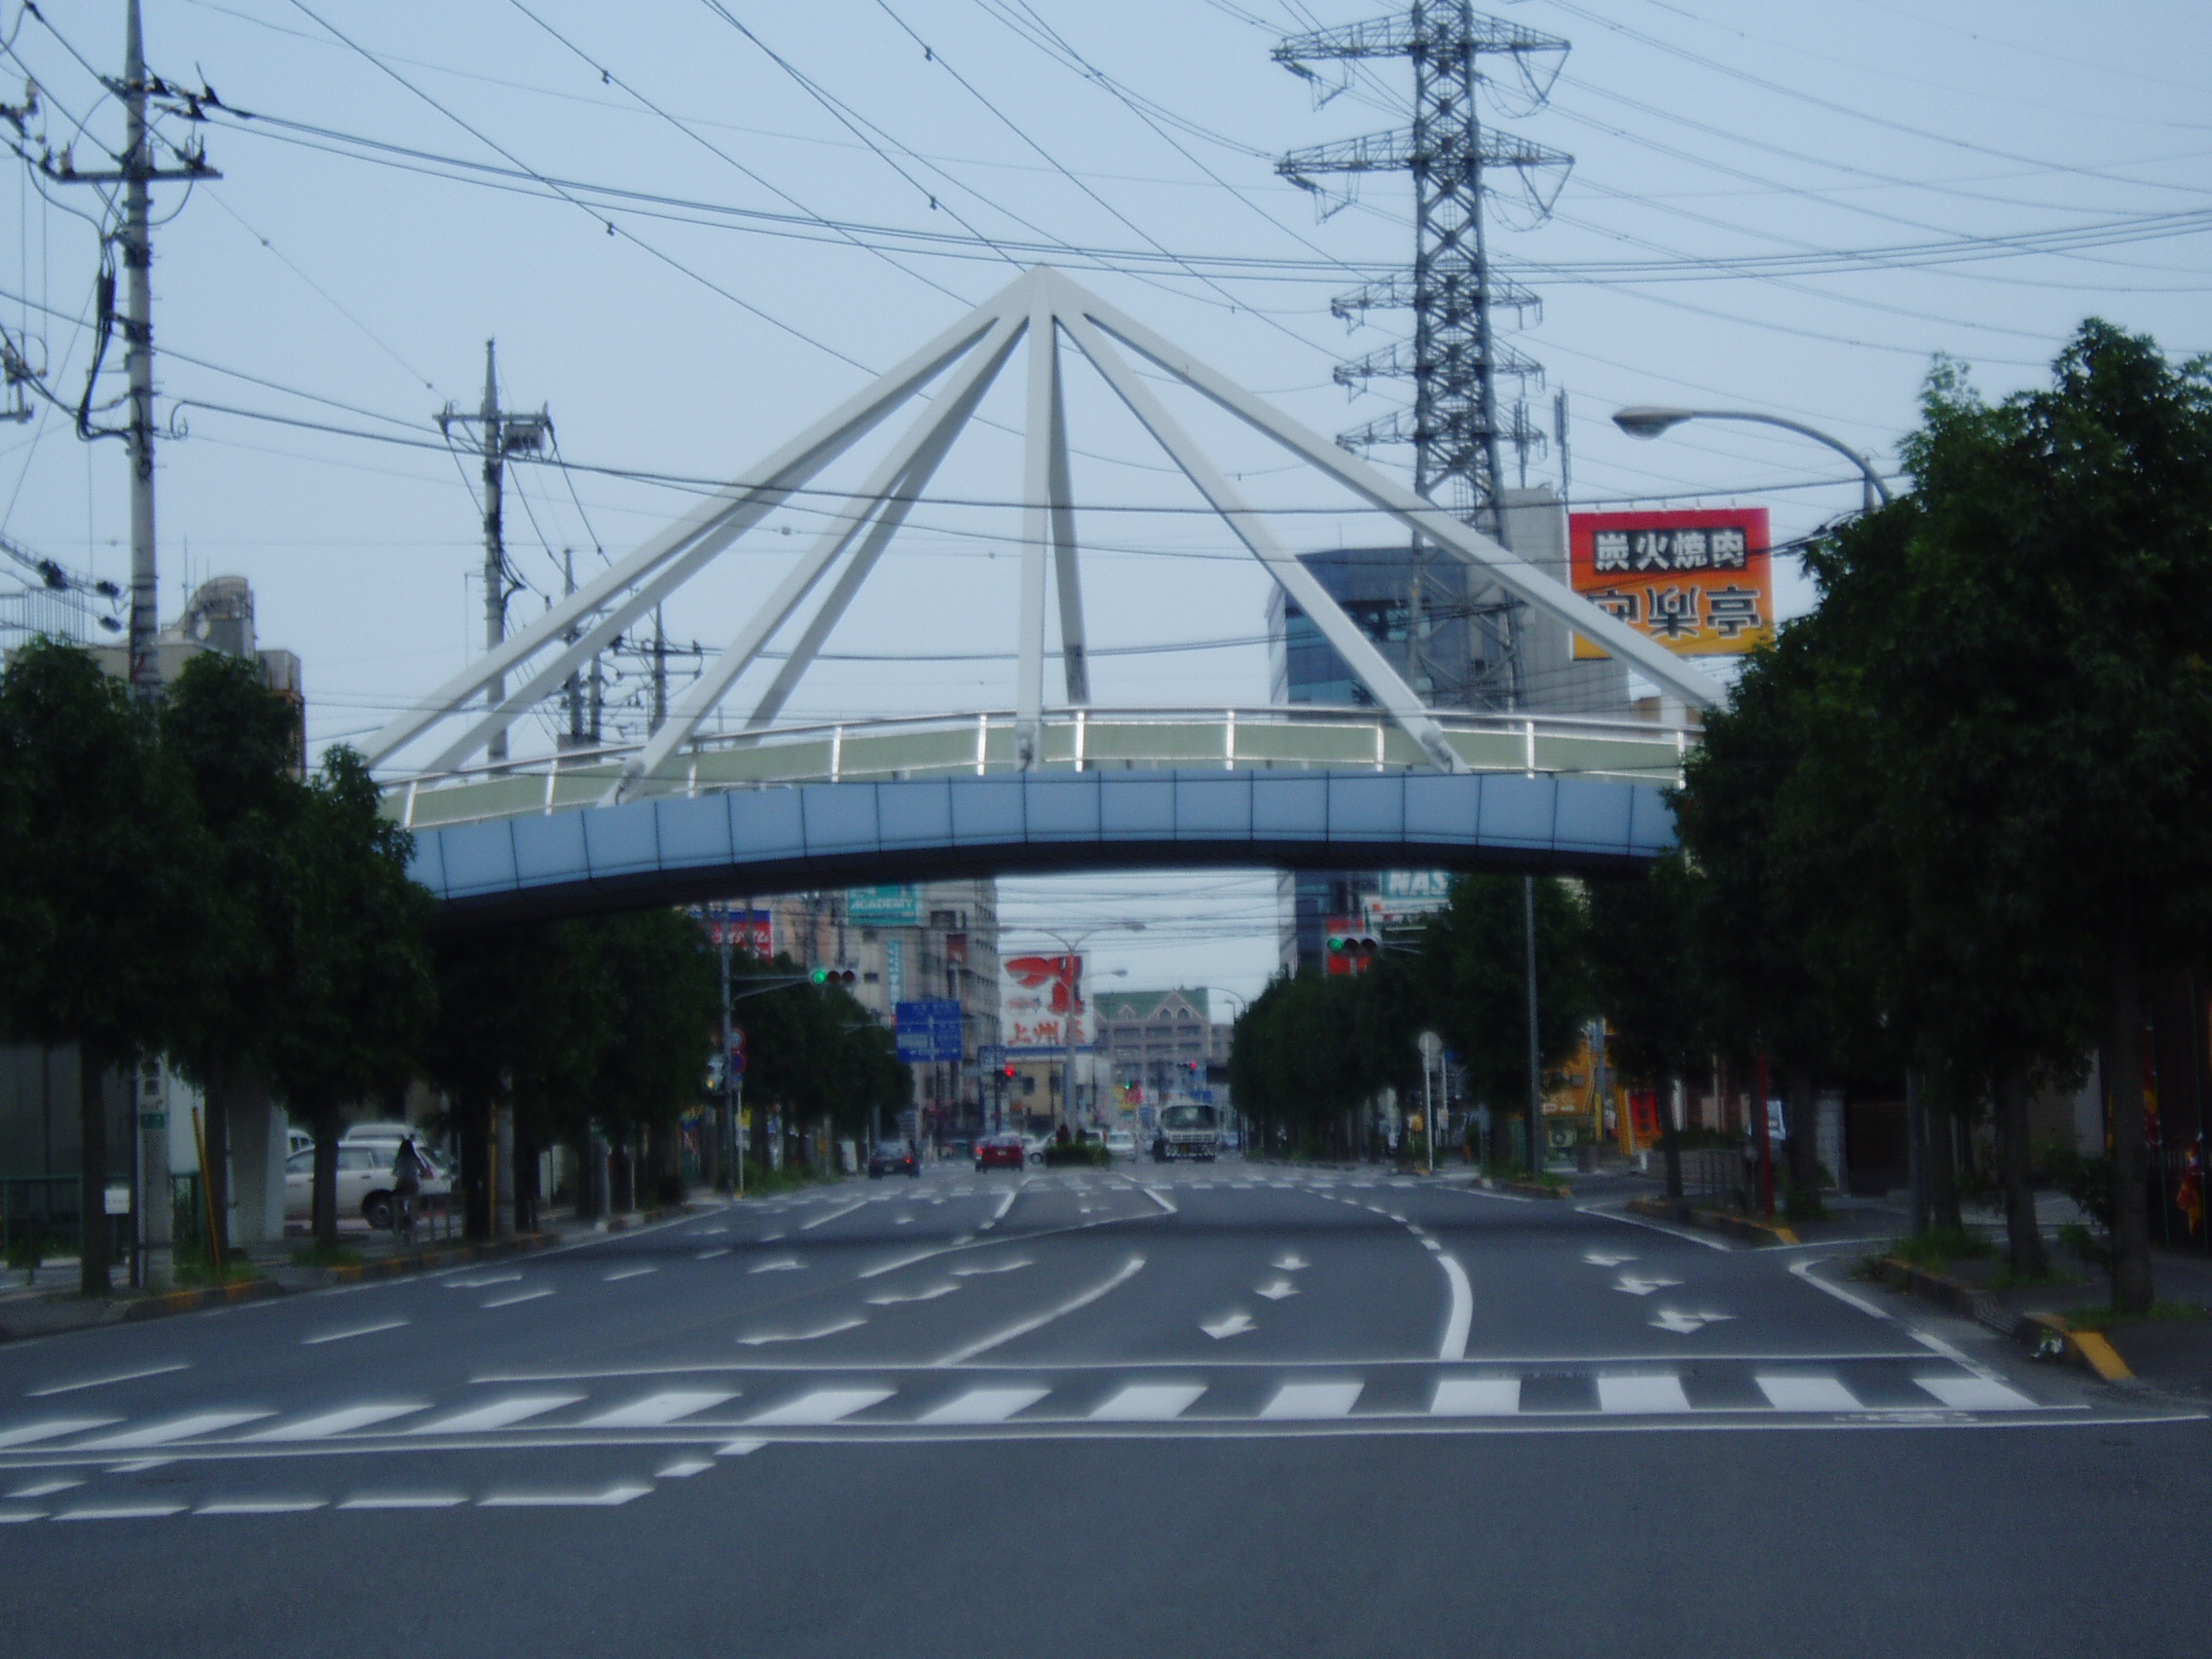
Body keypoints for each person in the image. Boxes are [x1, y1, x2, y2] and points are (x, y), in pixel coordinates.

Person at [391, 1135, 426, 1245]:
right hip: (412, 1184)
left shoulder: (399, 1158)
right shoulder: (415, 1158)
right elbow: (423, 1169)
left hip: (401, 1185)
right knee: (413, 1204)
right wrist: (422, 1173)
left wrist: (396, 1173)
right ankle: (412, 1221)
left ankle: (401, 1221)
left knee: (399, 1204)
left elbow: (395, 1171)